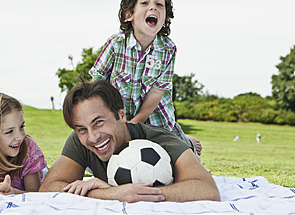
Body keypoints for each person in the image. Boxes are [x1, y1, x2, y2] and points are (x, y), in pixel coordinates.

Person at [39, 80, 220, 203]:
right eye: (82, 129)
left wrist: (135, 195)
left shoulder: (161, 140)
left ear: (121, 115)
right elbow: (49, 188)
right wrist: (110, 193)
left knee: (187, 149)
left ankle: (188, 141)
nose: (93, 137)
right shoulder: (81, 141)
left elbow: (207, 189)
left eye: (99, 122)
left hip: (178, 141)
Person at [89, 0, 202, 156]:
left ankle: (187, 142)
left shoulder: (167, 49)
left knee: (182, 163)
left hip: (158, 121)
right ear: (129, 14)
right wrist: (111, 121)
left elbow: (156, 93)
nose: (153, 7)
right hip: (119, 119)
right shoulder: (116, 43)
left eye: (159, 4)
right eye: (144, 3)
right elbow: (97, 83)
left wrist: (134, 124)